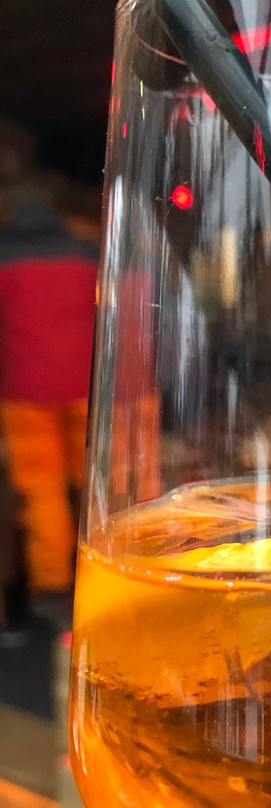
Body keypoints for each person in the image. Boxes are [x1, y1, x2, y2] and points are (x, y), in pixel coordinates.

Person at [0, 180, 97, 624]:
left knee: (42, 490)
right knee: (94, 484)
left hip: (26, 394)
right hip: (84, 386)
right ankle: (102, 569)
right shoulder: (85, 257)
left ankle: (54, 587)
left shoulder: (5, 261)